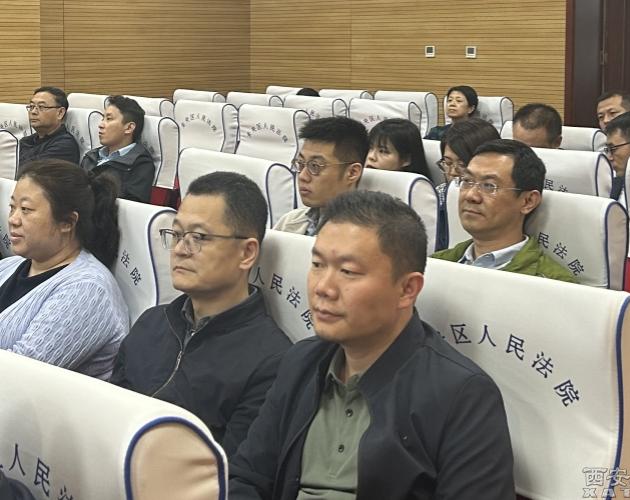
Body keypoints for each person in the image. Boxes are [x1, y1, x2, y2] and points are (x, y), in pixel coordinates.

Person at [229, 190, 515, 500]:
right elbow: (247, 477)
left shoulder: (462, 395)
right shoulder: (301, 360)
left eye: (348, 272)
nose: (323, 287)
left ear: (407, 289)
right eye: (317, 264)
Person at [111, 171, 290, 456]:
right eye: (177, 235)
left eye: (198, 237)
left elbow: (233, 469)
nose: (180, 250)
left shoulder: (272, 360)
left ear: (247, 253)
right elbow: (109, 411)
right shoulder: (152, 322)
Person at [0, 159, 128, 379]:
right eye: (12, 207)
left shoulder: (88, 291)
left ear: (67, 222)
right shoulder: (11, 265)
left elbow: (18, 376)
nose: (13, 219)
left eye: (26, 209)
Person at [432, 139, 576, 283]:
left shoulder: (554, 284)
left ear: (528, 201)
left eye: (489, 186)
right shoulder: (434, 265)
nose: (471, 195)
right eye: (467, 181)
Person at [273, 117, 368, 236]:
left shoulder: (365, 236)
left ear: (352, 173)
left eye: (315, 166)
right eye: (300, 164)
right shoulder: (289, 221)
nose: (302, 176)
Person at [434, 117, 501, 250]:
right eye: (448, 163)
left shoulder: (497, 201)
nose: (452, 172)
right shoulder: (436, 197)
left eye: (462, 165)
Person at [80, 95, 155, 203]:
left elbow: (130, 205)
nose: (101, 125)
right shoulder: (91, 156)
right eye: (102, 119)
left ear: (129, 128)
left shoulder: (140, 163)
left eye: (109, 119)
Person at [18, 87, 80, 169]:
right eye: (32, 106)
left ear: (60, 113)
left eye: (41, 107)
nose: (33, 112)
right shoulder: (26, 141)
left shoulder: (64, 146)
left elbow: (27, 171)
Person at [365, 118, 430, 178]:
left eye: (383, 151)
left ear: (406, 159)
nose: (371, 156)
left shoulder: (418, 186)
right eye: (370, 148)